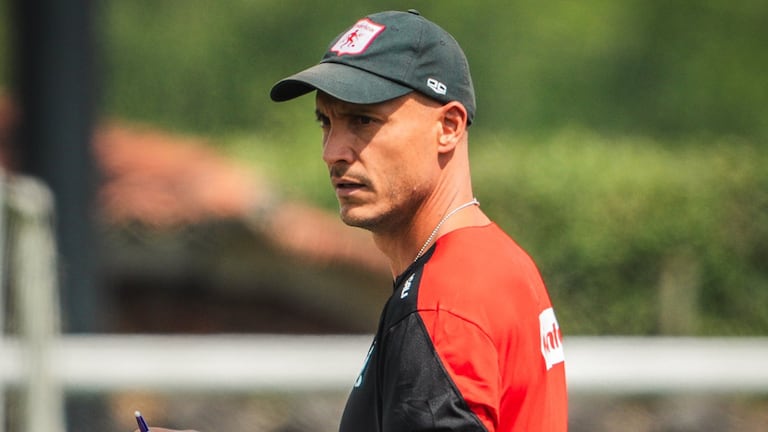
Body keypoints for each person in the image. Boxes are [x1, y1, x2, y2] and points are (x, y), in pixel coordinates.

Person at [146, 9, 567, 432]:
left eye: (363, 120)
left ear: (448, 126)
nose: (333, 151)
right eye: (326, 122)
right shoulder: (499, 261)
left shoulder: (441, 303)